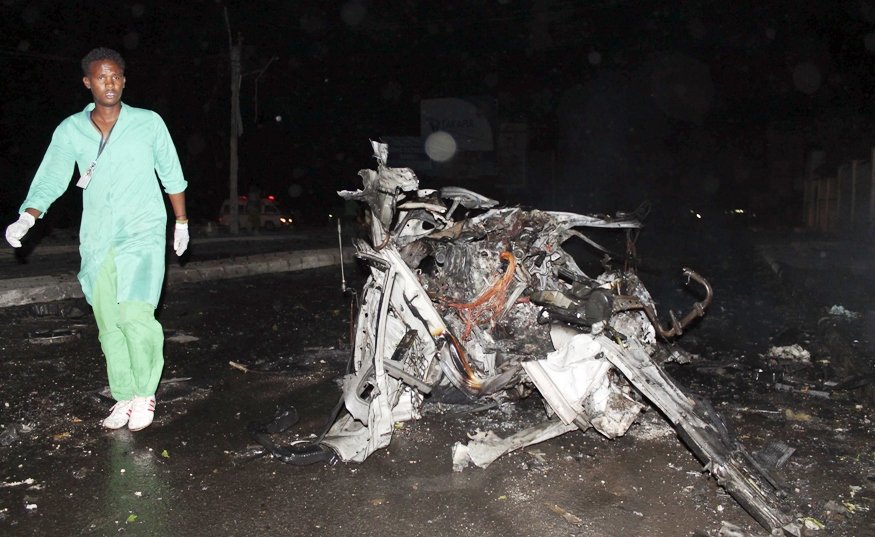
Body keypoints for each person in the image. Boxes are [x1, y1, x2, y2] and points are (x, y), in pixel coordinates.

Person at [4, 47, 189, 431]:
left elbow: (171, 174)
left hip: (142, 231)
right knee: (109, 324)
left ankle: (144, 393)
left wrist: (182, 222)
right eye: (101, 77)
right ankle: (123, 395)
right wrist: (28, 215)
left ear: (124, 80)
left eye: (116, 76)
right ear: (88, 82)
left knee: (136, 315)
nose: (110, 83)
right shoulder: (70, 129)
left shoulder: (148, 122)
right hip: (97, 239)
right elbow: (52, 177)